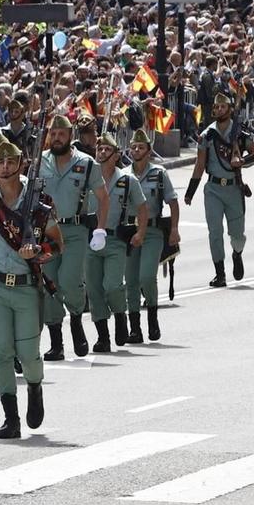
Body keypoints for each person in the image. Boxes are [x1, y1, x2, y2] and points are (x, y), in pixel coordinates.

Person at [0, 133, 62, 440]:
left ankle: (35, 388)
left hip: (25, 286)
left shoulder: (38, 204)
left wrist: (37, 252)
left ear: (21, 164)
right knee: (1, 353)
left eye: (11, 161)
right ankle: (11, 418)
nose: (5, 167)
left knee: (29, 353)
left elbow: (56, 244)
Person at [37, 113, 104, 359]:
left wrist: (100, 229)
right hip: (46, 232)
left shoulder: (87, 163)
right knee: (49, 285)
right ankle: (56, 342)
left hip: (75, 231)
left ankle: (76, 318)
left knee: (69, 280)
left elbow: (103, 198)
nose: (56, 138)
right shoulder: (38, 162)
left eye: (61, 134)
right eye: (52, 134)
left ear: (70, 137)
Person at [186, 91, 254, 286]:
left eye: (222, 106)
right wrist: (190, 191)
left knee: (237, 234)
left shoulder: (241, 133)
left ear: (230, 109)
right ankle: (220, 273)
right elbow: (200, 164)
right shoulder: (207, 135)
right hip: (213, 189)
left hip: (234, 188)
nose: (218, 110)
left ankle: (237, 253)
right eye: (216, 107)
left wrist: (241, 161)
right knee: (214, 231)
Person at [87, 134, 149, 352]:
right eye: (100, 149)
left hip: (115, 240)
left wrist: (140, 232)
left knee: (112, 285)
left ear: (116, 155)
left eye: (107, 150)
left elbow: (142, 208)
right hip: (90, 240)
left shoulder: (127, 180)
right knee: (93, 289)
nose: (102, 153)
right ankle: (103, 336)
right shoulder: (89, 178)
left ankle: (120, 316)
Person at [124, 129, 179, 343]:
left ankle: (153, 320)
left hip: (154, 231)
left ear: (149, 151)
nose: (136, 150)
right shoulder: (124, 175)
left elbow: (172, 202)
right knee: (131, 280)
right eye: (133, 147)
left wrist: (174, 229)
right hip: (130, 231)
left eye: (141, 147)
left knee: (147, 276)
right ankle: (135, 328)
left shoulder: (159, 173)